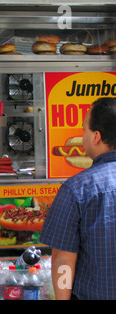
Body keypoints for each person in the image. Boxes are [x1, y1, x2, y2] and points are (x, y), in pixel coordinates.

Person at [40, 97, 116, 300]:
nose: (82, 136)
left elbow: (62, 259)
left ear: (96, 137)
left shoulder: (77, 189)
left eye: (85, 130)